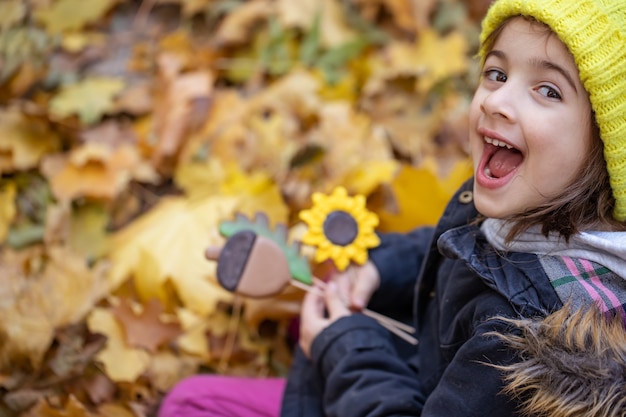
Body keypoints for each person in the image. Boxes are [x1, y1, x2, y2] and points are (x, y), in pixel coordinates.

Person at [158, 0, 626, 415]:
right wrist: (381, 270)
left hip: (402, 392)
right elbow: (459, 248)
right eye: (497, 74)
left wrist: (344, 348)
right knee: (324, 307)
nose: (497, 101)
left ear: (608, 151)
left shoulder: (521, 344)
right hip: (418, 359)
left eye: (548, 91)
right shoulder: (531, 202)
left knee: (191, 403)